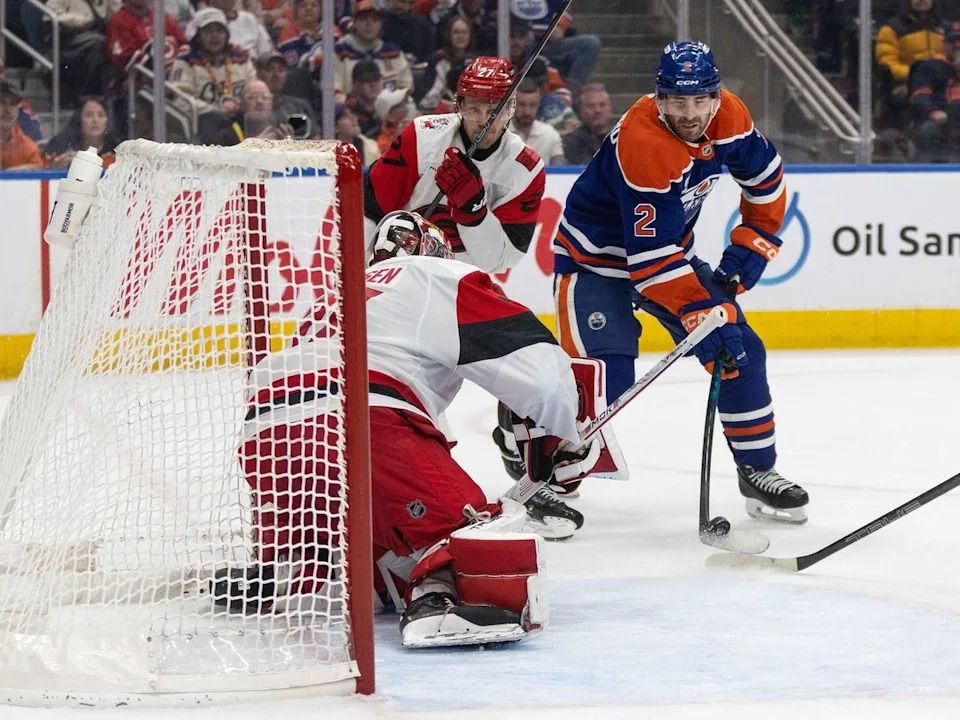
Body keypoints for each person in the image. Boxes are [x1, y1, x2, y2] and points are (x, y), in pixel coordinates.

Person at [212, 210, 603, 647]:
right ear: (435, 249)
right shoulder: (440, 274)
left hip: (265, 434)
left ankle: (286, 565)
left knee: (374, 542)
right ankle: (434, 603)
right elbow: (540, 372)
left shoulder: (344, 294)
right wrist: (571, 429)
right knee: (469, 533)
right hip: (358, 422)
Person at [548, 41, 809, 524]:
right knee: (606, 384)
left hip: (671, 254)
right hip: (596, 262)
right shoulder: (643, 143)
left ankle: (757, 470)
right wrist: (700, 309)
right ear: (659, 98)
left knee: (740, 351)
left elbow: (767, 183)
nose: (690, 114)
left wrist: (750, 249)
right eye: (677, 102)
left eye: (699, 101)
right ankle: (542, 466)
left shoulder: (729, 115)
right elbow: (649, 260)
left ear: (715, 96)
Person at [363, 56, 544, 275]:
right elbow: (370, 208)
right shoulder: (422, 137)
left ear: (510, 109)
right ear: (459, 105)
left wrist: (474, 211)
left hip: (465, 283)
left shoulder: (526, 169)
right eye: (474, 110)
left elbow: (498, 262)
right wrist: (369, 265)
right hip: (404, 274)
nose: (483, 121)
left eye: (493, 111)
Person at [907, 21, 960, 160]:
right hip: (943, 120)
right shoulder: (930, 66)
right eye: (953, 41)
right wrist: (933, 111)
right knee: (929, 130)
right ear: (944, 45)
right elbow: (920, 95)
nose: (958, 46)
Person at [44, 96, 120, 169]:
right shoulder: (61, 144)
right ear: (79, 119)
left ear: (107, 120)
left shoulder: (117, 148)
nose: (95, 120)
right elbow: (44, 168)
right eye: (88, 115)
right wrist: (57, 165)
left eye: (101, 115)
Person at [510, 78, 565, 165]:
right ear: (513, 103)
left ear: (539, 104)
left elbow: (560, 171)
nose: (527, 112)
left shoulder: (550, 134)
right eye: (522, 104)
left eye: (532, 105)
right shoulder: (500, 134)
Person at [562, 82, 614, 164]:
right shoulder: (573, 141)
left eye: (602, 105)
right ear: (582, 111)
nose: (597, 110)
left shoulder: (622, 137)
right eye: (591, 106)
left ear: (610, 108)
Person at [0, 81, 44, 170]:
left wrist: (8, 174)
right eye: (1, 102)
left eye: (12, 104)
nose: (7, 110)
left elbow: (39, 170)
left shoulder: (27, 146)